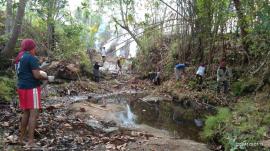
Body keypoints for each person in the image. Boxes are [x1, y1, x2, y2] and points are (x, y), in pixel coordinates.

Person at [16, 39, 48, 148]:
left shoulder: (19, 57)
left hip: (21, 87)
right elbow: (36, 75)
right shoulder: (31, 58)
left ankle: (21, 139)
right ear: (31, 48)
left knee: (26, 113)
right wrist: (46, 77)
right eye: (34, 48)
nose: (35, 50)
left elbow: (24, 72)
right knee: (33, 115)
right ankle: (30, 141)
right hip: (31, 88)